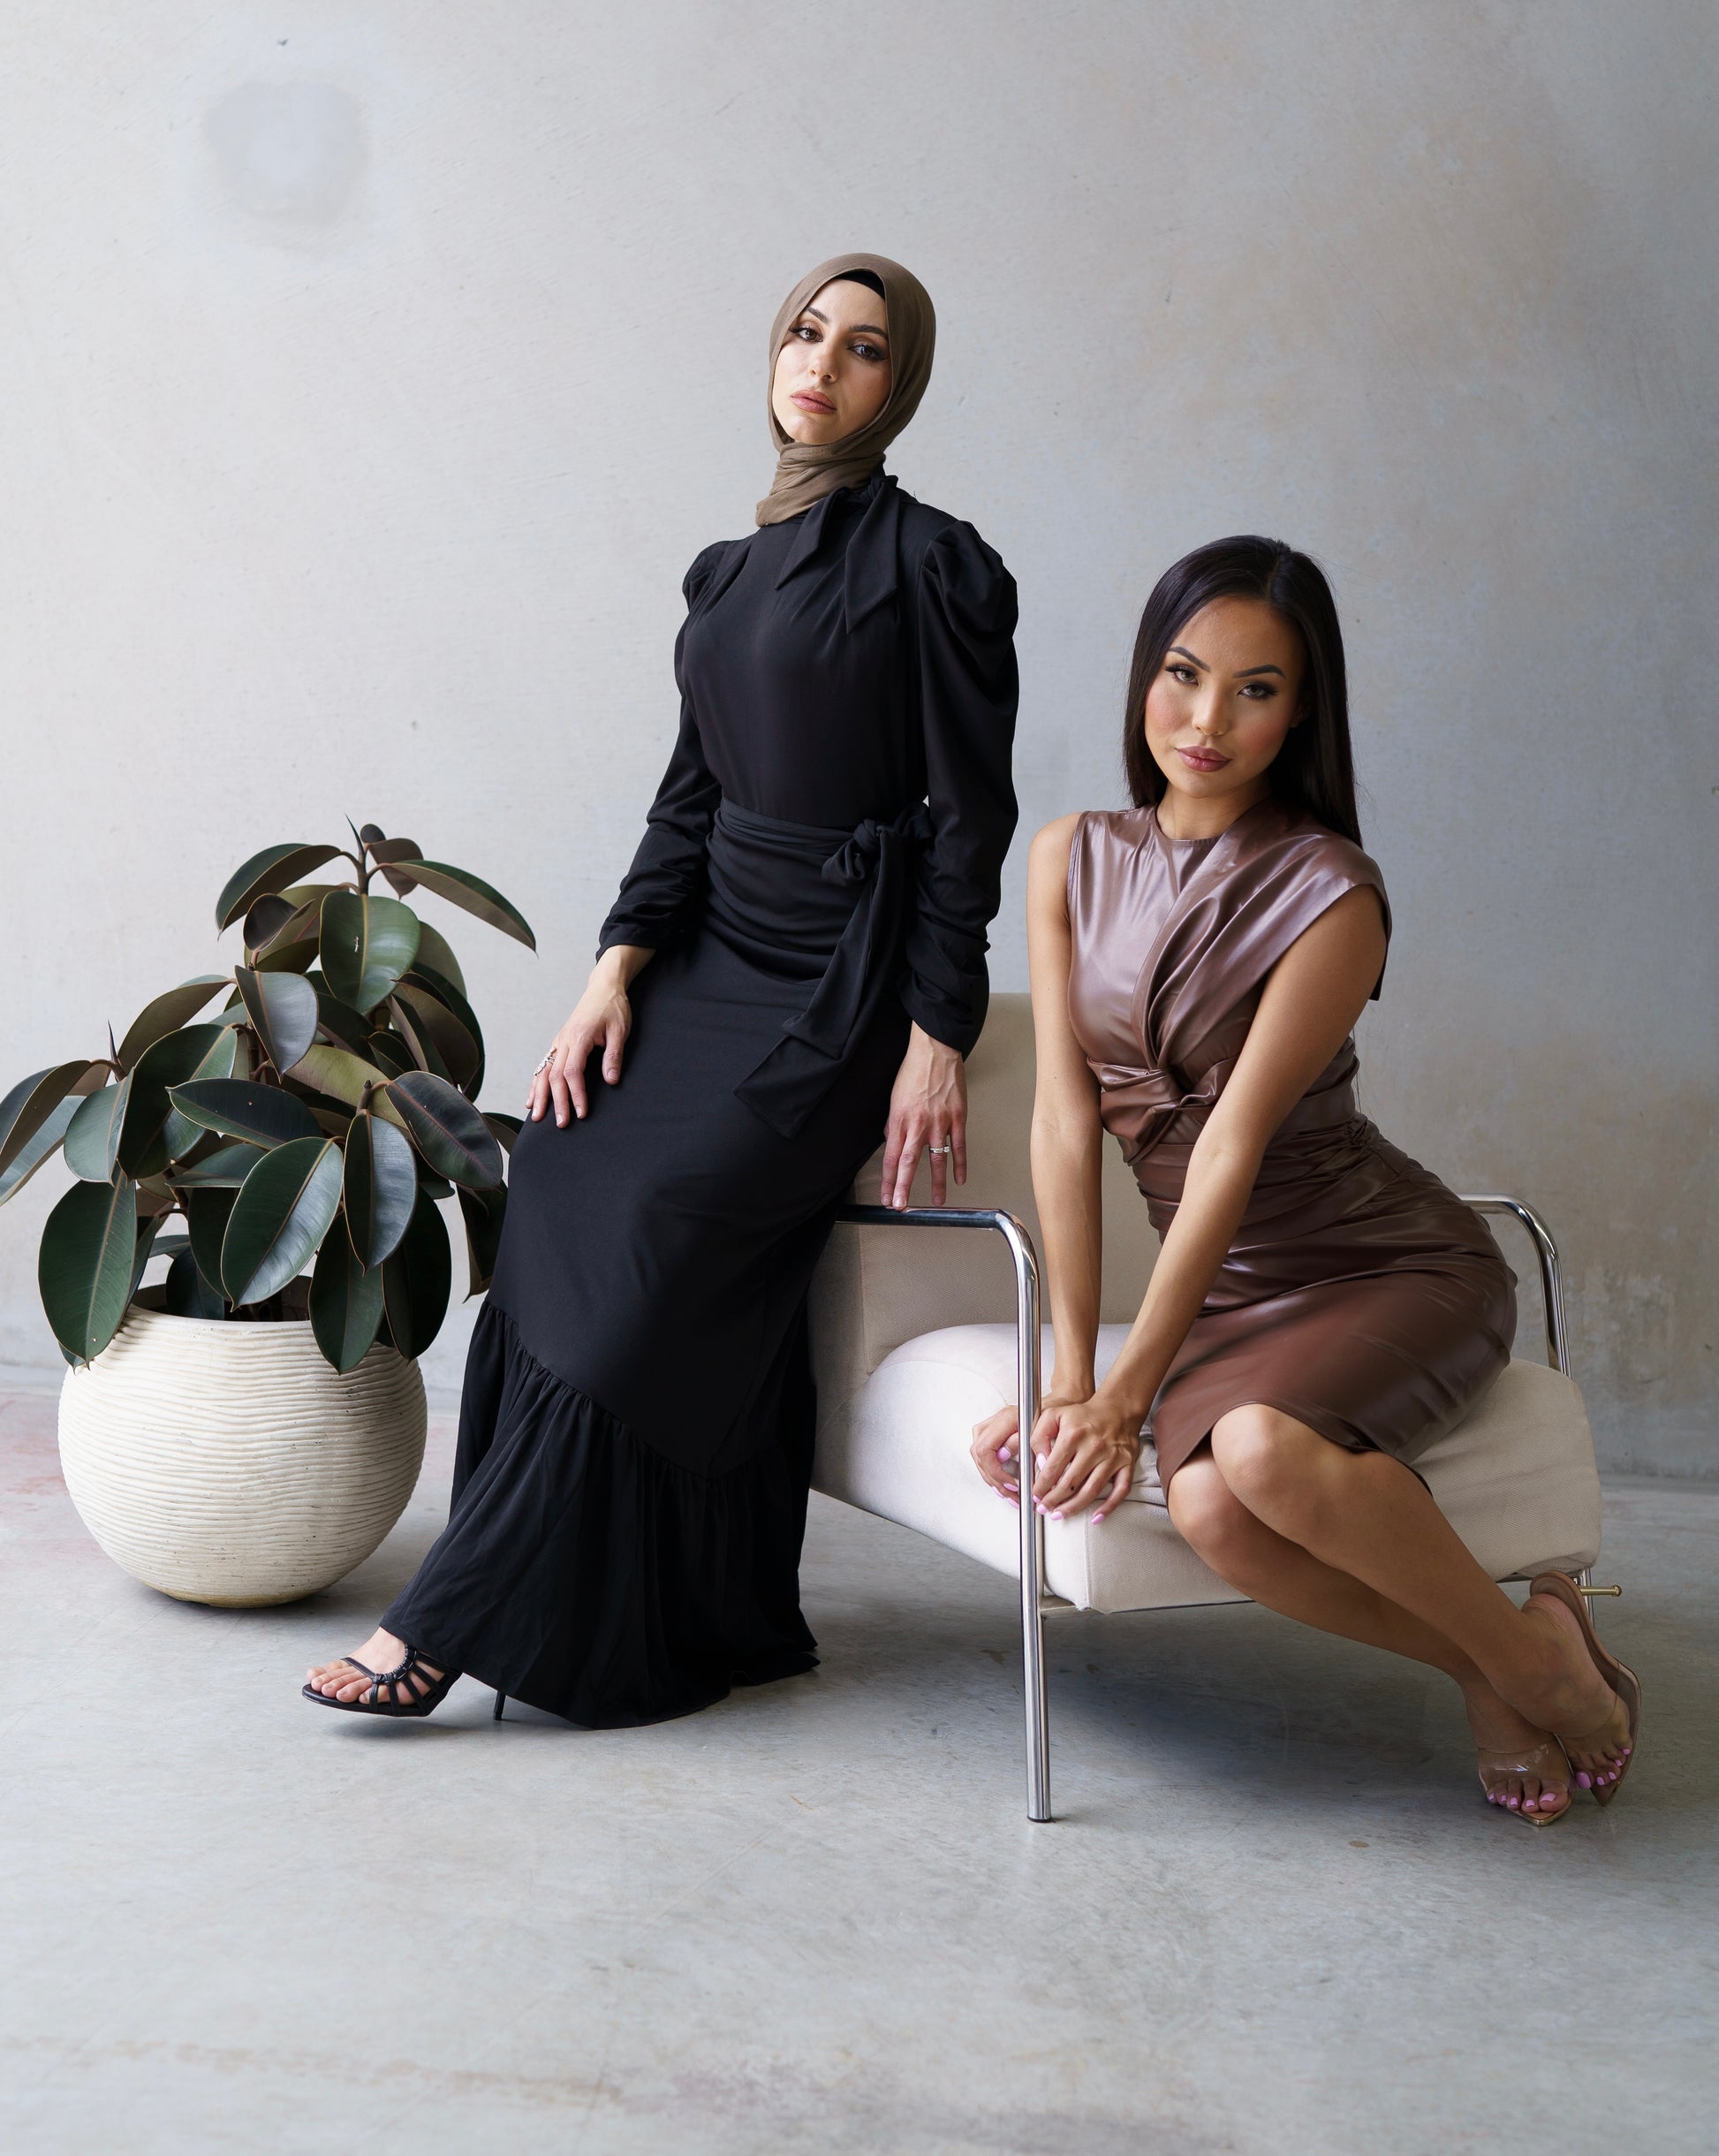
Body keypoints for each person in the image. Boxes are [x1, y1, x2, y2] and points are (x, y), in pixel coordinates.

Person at [307, 254, 1018, 1726]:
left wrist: (936, 1031)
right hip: (704, 960)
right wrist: (611, 974)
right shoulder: (724, 574)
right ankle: (702, 1614)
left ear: (901, 386)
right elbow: (687, 797)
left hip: (834, 987)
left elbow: (970, 819)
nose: (821, 362)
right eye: (806, 332)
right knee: (562, 1171)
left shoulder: (937, 565)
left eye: (864, 347)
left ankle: (450, 1617)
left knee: (657, 1228)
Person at [972, 537, 1639, 1825]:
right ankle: (1517, 1662)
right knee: (1214, 1510)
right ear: (1143, 674)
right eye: (1182, 674)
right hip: (1228, 1291)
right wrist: (1069, 1385)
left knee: (1260, 1453)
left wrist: (1126, 1397)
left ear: (1301, 712)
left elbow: (1227, 1147)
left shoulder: (1332, 892)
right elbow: (1063, 1119)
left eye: (1255, 690)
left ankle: (1523, 1675)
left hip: (1389, 1263)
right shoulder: (1067, 854)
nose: (1206, 721)